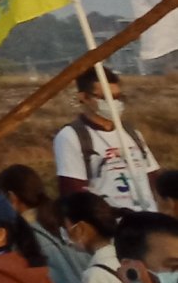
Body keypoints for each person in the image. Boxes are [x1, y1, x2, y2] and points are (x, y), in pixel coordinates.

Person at [59, 70, 162, 210]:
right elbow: (73, 191)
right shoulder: (71, 136)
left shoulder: (131, 133)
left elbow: (153, 177)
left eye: (118, 97)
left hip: (148, 216)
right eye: (105, 97)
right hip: (112, 220)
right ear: (84, 97)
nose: (114, 102)